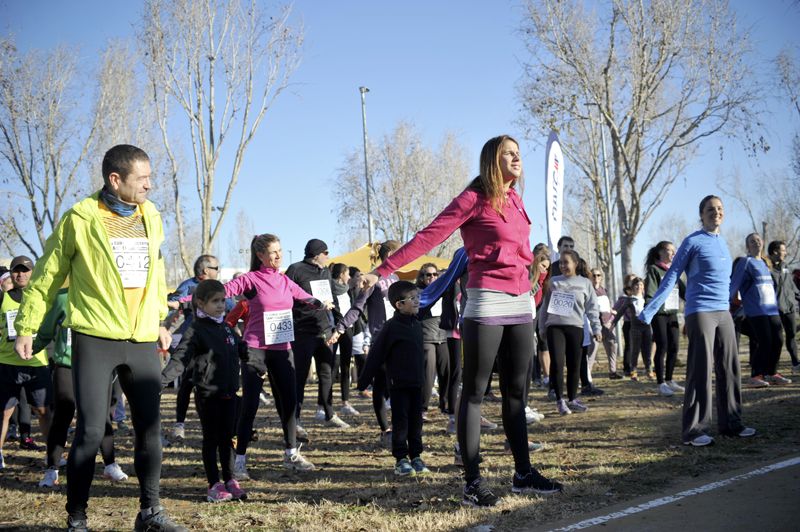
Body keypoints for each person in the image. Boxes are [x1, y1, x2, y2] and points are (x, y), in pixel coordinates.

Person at [361, 135, 562, 507]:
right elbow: (428, 237)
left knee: (516, 392)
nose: (517, 158)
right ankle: (472, 483)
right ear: (492, 160)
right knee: (474, 393)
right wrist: (382, 270)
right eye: (509, 153)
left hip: (521, 302)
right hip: (487, 301)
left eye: (518, 153)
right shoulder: (472, 198)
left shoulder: (516, 199)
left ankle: (523, 475)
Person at [13, 145, 185, 531]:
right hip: (96, 336)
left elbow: (155, 271)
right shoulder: (80, 218)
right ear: (115, 179)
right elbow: (47, 275)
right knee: (91, 431)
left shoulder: (152, 215)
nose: (149, 185)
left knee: (150, 427)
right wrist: (27, 325)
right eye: (142, 178)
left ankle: (150, 512)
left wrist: (159, 318)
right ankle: (77, 518)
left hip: (141, 338)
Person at [639, 195, 755, 447]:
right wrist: (649, 311)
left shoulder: (722, 242)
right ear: (701, 214)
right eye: (710, 209)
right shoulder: (692, 241)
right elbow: (672, 276)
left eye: (720, 208)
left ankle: (732, 424)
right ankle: (694, 431)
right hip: (700, 311)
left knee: (730, 368)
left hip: (723, 312)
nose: (716, 212)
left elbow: (727, 282)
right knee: (701, 369)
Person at [162, 280, 248, 503]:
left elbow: (241, 349)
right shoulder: (196, 330)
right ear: (200, 303)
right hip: (208, 396)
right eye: (215, 301)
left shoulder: (227, 327)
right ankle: (214, 484)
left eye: (223, 300)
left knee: (228, 439)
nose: (221, 305)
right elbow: (180, 358)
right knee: (211, 439)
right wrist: (161, 381)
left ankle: (230, 479)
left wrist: (253, 358)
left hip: (230, 393)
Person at [37, 286, 128, 488]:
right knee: (63, 414)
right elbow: (47, 328)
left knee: (102, 416)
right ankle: (52, 469)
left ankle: (110, 464)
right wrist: (33, 347)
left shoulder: (105, 292)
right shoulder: (62, 297)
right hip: (67, 364)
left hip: (98, 364)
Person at [329, 240, 402, 445]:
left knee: (398, 385)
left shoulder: (396, 278)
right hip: (381, 339)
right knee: (380, 383)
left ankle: (398, 427)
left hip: (399, 337)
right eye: (401, 253)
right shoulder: (373, 278)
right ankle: (385, 430)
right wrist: (340, 328)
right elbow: (357, 307)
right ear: (389, 255)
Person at [357, 281, 431, 477]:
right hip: (398, 385)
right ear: (399, 305)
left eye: (418, 297)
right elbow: (376, 355)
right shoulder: (391, 327)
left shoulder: (417, 324)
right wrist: (363, 381)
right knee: (401, 422)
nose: (417, 301)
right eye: (412, 298)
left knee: (416, 422)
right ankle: (401, 459)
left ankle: (416, 456)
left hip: (417, 384)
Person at [285, 239, 349, 430]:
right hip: (302, 331)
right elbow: (286, 297)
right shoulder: (295, 269)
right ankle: (295, 418)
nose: (328, 256)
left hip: (325, 330)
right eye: (326, 253)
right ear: (316, 254)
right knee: (300, 376)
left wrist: (340, 323)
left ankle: (329, 413)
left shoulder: (326, 271)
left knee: (327, 373)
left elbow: (332, 298)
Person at [168, 254, 227, 443]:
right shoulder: (188, 286)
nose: (218, 271)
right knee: (188, 382)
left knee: (213, 383)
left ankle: (213, 425)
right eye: (216, 268)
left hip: (215, 342)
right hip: (193, 341)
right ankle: (179, 425)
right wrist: (166, 326)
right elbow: (172, 303)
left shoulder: (219, 287)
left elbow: (231, 307)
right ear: (205, 271)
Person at [0, 255, 52, 469]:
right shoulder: (3, 297)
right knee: (4, 412)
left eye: (25, 270)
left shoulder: (42, 298)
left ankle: (52, 454)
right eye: (16, 270)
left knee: (43, 411)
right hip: (7, 363)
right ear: (11, 273)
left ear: (33, 273)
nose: (20, 274)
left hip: (36, 363)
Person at [538, 250, 602, 415]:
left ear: (575, 264)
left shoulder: (585, 283)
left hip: (576, 327)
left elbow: (592, 308)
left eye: (566, 262)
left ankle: (572, 399)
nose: (562, 266)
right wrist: (542, 327)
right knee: (557, 363)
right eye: (560, 263)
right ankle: (560, 400)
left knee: (574, 365)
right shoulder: (554, 282)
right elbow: (544, 307)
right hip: (555, 327)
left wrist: (596, 328)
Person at [730, 233, 789, 387]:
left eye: (758, 240)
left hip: (772, 309)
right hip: (756, 310)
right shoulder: (745, 262)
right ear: (747, 246)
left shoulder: (764, 263)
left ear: (762, 243)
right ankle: (756, 376)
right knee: (765, 341)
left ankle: (772, 373)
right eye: (752, 241)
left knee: (778, 340)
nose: (756, 242)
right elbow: (734, 284)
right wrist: (729, 304)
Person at [644, 241, 686, 394]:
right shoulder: (654, 270)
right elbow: (650, 293)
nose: (673, 253)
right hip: (659, 314)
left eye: (674, 251)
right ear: (660, 252)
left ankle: (669, 379)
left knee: (674, 346)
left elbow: (685, 292)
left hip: (672, 313)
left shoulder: (674, 272)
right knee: (662, 346)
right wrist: (649, 310)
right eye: (669, 250)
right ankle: (661, 383)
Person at [612, 277, 657, 390]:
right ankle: (633, 371)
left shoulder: (647, 299)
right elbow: (621, 312)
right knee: (635, 350)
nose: (639, 287)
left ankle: (649, 370)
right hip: (635, 327)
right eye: (637, 285)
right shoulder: (629, 300)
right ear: (632, 287)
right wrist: (613, 323)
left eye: (641, 285)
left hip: (646, 327)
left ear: (643, 287)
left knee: (647, 350)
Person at [415, 263, 448, 422]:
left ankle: (446, 406)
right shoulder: (418, 293)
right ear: (422, 277)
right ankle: (422, 409)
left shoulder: (443, 290)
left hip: (443, 335)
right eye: (428, 274)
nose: (432, 277)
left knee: (446, 372)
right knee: (428, 375)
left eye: (435, 274)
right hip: (426, 337)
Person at [329, 263, 360, 416]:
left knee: (346, 365)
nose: (349, 277)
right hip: (333, 330)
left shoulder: (348, 290)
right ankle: (326, 403)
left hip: (347, 330)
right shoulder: (329, 290)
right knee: (331, 367)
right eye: (347, 274)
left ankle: (345, 402)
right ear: (341, 274)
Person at [767, 240, 800, 373]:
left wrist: (798, 296)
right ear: (775, 252)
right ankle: (771, 369)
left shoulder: (785, 266)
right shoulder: (766, 268)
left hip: (789, 308)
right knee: (777, 340)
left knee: (791, 335)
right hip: (775, 310)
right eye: (783, 250)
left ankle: (796, 364)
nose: (785, 253)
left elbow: (791, 286)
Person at [589, 268, 620, 379]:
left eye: (598, 275)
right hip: (595, 325)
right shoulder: (589, 290)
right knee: (592, 350)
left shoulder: (604, 290)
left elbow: (606, 306)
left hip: (607, 323)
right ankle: (586, 376)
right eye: (593, 275)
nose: (596, 277)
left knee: (612, 346)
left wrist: (612, 312)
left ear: (601, 277)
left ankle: (613, 372)